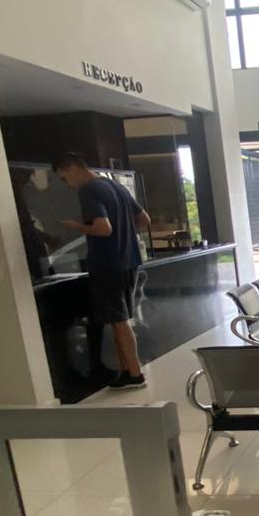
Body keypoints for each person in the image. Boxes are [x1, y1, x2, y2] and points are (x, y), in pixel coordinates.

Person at [53, 153, 151, 390]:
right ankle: (126, 370)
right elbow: (144, 219)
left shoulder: (89, 190)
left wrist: (77, 226)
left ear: (73, 169)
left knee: (118, 320)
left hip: (107, 264)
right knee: (120, 319)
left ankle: (135, 373)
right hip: (129, 261)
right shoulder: (115, 186)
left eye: (65, 179)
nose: (68, 185)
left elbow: (103, 228)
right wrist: (125, 236)